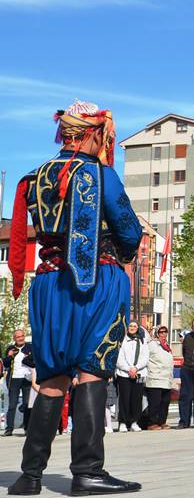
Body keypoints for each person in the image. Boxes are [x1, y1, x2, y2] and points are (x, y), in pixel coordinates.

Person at [7, 100, 143, 495]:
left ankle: (30, 476)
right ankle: (87, 471)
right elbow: (129, 231)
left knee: (51, 376)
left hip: (48, 282)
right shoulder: (100, 174)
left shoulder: (33, 177)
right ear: (93, 133)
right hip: (94, 279)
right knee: (92, 369)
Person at [115, 321, 148, 432]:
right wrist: (129, 369)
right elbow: (119, 359)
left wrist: (136, 368)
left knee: (136, 399)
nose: (132, 328)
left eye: (135, 326)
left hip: (139, 373)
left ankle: (134, 422)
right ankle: (123, 422)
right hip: (124, 374)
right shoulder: (122, 341)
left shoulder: (142, 341)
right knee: (124, 399)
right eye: (130, 326)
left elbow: (145, 358)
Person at [4, 329, 33, 436]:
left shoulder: (30, 347)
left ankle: (27, 427)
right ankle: (9, 428)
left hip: (27, 379)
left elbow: (35, 360)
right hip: (14, 379)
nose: (20, 338)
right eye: (18, 337)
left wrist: (28, 357)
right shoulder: (10, 348)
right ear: (14, 338)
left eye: (22, 336)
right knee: (12, 405)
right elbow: (6, 364)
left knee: (26, 404)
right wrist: (9, 356)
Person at [145, 326, 174, 430]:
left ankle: (162, 422)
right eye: (161, 332)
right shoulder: (152, 344)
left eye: (165, 332)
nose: (163, 334)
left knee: (165, 402)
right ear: (157, 333)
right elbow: (145, 358)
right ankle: (152, 422)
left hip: (166, 378)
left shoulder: (167, 346)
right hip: (155, 377)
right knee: (155, 403)